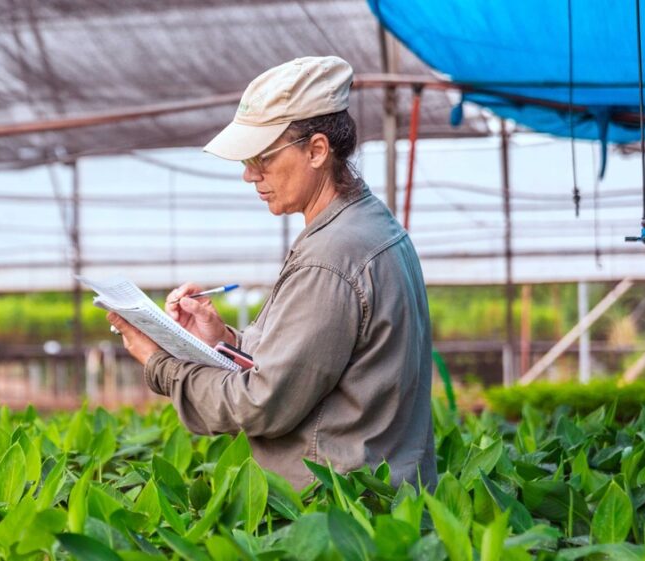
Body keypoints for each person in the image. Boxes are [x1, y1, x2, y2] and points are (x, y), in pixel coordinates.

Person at [106, 56, 436, 490]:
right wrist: (219, 341)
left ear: (317, 150)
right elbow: (303, 365)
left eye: (262, 157)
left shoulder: (332, 257)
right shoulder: (367, 226)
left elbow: (263, 403)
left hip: (336, 513)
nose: (249, 175)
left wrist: (160, 363)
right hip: (377, 505)